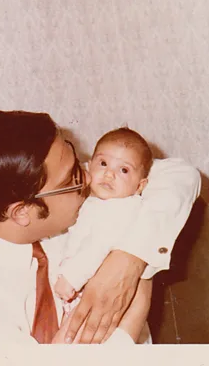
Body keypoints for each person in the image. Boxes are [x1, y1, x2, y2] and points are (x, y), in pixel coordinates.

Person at [0, 110, 201, 344]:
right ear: (22, 212)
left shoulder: (54, 199)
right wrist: (131, 318)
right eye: (72, 178)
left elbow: (179, 175)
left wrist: (130, 259)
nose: (87, 179)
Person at [54, 127, 154, 309]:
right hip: (78, 290)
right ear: (89, 166)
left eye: (124, 170)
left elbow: (99, 244)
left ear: (140, 185)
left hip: (95, 293)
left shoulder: (123, 208)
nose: (109, 174)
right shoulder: (96, 201)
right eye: (103, 163)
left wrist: (71, 277)